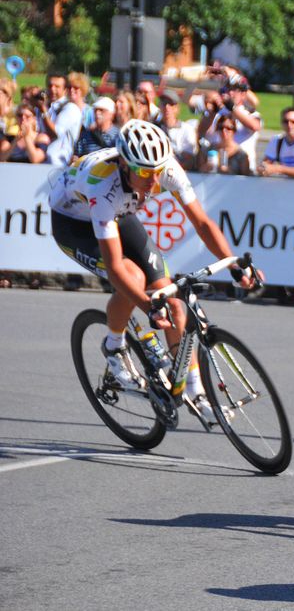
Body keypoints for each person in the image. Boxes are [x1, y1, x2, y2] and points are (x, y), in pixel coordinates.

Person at [47, 120, 262, 419]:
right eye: (145, 173)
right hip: (74, 222)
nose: (153, 181)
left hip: (122, 211)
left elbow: (202, 223)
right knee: (132, 278)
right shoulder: (102, 185)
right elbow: (114, 265)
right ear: (124, 165)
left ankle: (195, 393)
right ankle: (114, 345)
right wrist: (148, 306)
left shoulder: (165, 168)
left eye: (157, 172)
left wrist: (234, 262)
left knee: (173, 301)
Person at [46, 72, 88, 167]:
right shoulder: (60, 107)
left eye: (76, 88)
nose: (72, 90)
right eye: (69, 87)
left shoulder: (88, 111)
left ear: (83, 90)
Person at [157, 91, 200, 169]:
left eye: (171, 104)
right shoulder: (154, 128)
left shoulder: (187, 129)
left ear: (177, 108)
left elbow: (189, 159)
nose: (167, 107)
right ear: (159, 107)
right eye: (164, 104)